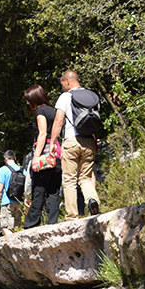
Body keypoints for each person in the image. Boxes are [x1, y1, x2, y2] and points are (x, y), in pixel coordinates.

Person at [49, 70, 100, 219]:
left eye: (62, 83)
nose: (62, 86)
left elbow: (59, 121)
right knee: (85, 177)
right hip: (89, 141)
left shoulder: (66, 96)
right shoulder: (91, 96)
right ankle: (92, 200)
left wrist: (53, 142)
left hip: (71, 141)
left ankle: (72, 215)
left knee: (69, 179)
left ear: (68, 81)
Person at [22, 85, 61, 228]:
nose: (27, 103)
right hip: (56, 152)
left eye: (28, 100)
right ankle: (52, 222)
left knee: (39, 188)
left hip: (44, 153)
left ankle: (31, 224)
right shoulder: (55, 111)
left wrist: (36, 157)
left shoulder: (40, 112)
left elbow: (43, 134)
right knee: (53, 190)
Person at [0, 150, 24, 236]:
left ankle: (13, 246)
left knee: (5, 227)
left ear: (5, 158)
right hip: (19, 202)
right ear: (15, 158)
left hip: (7, 202)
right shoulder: (21, 170)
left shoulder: (3, 169)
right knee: (17, 227)